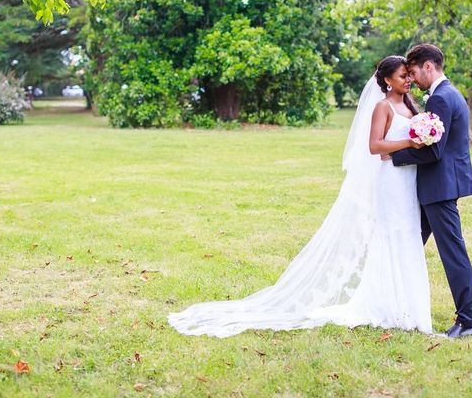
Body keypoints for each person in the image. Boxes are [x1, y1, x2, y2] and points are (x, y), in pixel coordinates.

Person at [168, 55, 434, 338]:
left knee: (408, 234)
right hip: (390, 181)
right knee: (389, 234)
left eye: (409, 75)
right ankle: (386, 306)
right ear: (386, 80)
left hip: (408, 180)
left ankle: (409, 304)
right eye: (403, 75)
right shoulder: (383, 107)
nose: (409, 79)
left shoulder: (409, 105)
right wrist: (411, 141)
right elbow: (374, 146)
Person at [391, 43, 472, 338]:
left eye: (414, 72)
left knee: (453, 252)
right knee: (409, 244)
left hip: (439, 187)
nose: (413, 79)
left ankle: (468, 321)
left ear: (428, 66)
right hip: (440, 185)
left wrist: (395, 156)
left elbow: (434, 153)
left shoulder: (440, 98)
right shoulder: (451, 93)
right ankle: (397, 304)